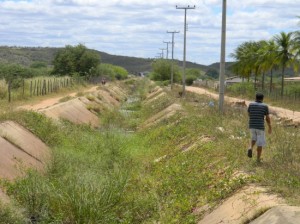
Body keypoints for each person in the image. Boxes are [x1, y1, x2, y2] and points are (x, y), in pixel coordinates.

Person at [247, 93, 272, 162]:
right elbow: (267, 118)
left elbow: (249, 114)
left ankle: (250, 147)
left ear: (255, 98)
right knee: (260, 143)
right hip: (260, 126)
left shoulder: (251, 104)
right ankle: (258, 159)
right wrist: (270, 127)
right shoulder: (265, 106)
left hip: (252, 125)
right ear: (262, 98)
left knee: (253, 138)